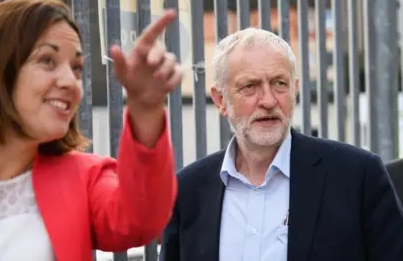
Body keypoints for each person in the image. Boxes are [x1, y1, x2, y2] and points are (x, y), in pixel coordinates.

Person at [0, 0, 183, 261]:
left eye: (77, 68)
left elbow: (141, 220)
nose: (70, 81)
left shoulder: (86, 178)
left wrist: (145, 108)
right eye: (47, 60)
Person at [159, 27, 403, 261]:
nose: (268, 100)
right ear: (221, 100)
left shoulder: (357, 177)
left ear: (294, 89)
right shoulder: (188, 192)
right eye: (250, 86)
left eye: (279, 83)